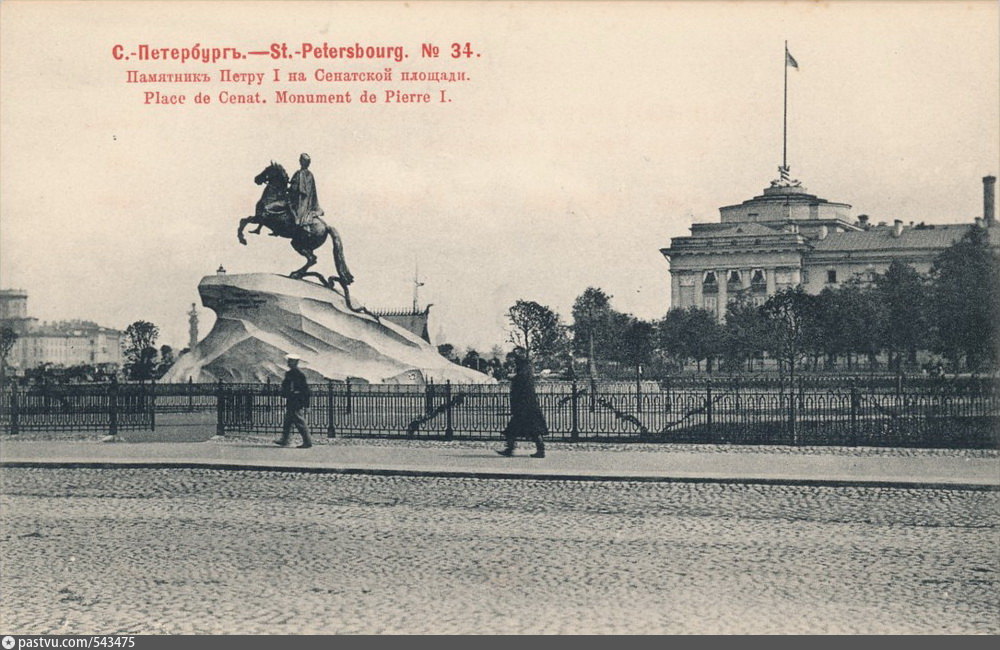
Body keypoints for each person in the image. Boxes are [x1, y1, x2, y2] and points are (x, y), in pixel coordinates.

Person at [497, 347, 547, 458]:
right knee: (526, 429)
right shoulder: (525, 366)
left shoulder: (524, 367)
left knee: (525, 429)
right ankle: (512, 450)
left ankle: (511, 450)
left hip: (525, 405)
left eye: (514, 356)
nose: (512, 359)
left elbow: (521, 380)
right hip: (528, 404)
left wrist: (512, 378)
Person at [274, 354, 313, 448]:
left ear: (295, 363)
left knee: (299, 422)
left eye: (290, 361)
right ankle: (284, 440)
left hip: (296, 401)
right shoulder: (291, 373)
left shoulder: (298, 375)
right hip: (291, 400)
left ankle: (307, 442)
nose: (288, 363)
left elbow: (305, 390)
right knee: (288, 421)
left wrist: (306, 404)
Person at [287, 153, 323, 227]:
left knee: (287, 204)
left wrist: (288, 189)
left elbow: (294, 188)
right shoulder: (309, 174)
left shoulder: (299, 173)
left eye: (301, 160)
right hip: (304, 198)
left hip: (300, 200)